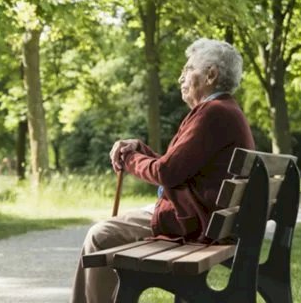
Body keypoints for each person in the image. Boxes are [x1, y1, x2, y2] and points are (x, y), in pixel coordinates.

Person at [70, 38, 255, 303]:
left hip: (193, 223)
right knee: (106, 231)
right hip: (205, 218)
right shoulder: (225, 110)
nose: (181, 77)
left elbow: (167, 173)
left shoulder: (212, 113)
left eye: (188, 68)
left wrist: (130, 158)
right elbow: (178, 167)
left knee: (100, 236)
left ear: (211, 74)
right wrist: (141, 150)